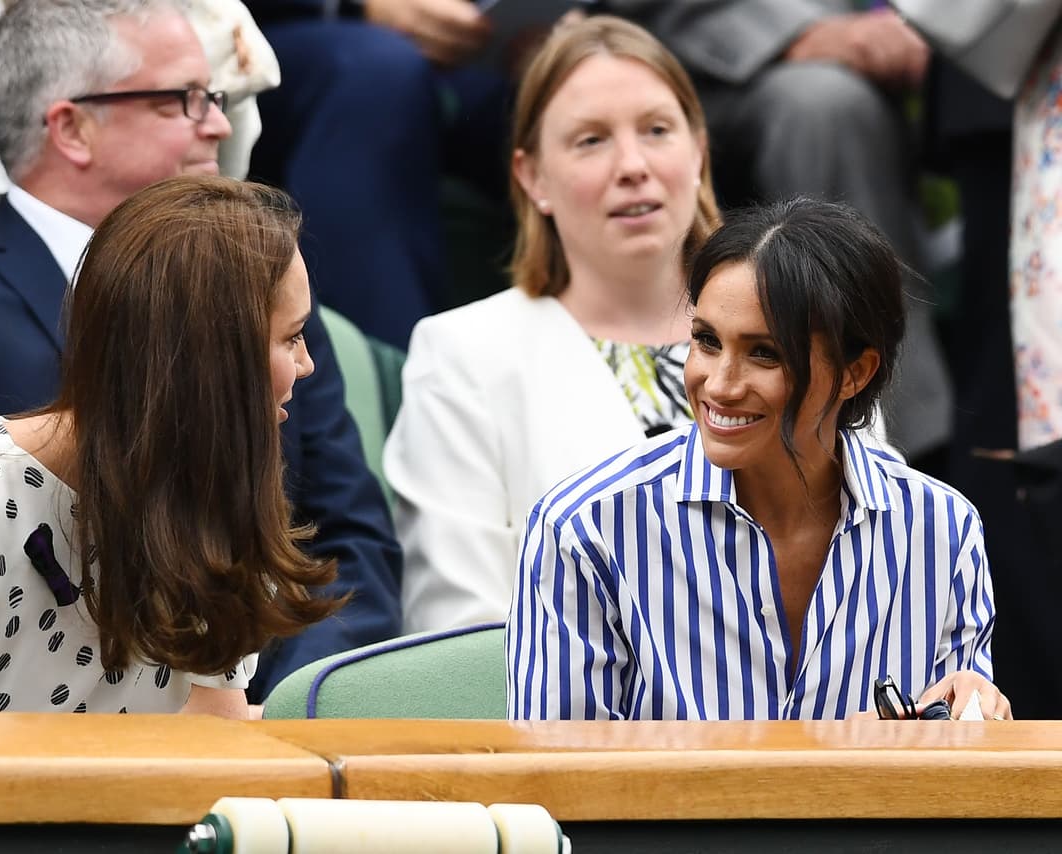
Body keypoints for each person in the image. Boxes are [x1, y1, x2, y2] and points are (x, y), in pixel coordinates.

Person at [0, 0, 402, 699]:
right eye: (185, 100)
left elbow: (345, 545)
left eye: (216, 98)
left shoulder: (272, 289)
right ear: (72, 127)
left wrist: (267, 704)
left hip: (238, 733)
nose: (220, 123)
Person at [0, 176, 340, 713]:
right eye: (291, 337)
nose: (306, 363)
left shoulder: (210, 498)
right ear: (209, 359)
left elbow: (213, 745)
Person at [508, 197, 1009, 721]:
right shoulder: (584, 529)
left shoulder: (943, 531)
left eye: (764, 353)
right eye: (705, 341)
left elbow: (954, 785)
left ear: (855, 373)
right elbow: (557, 783)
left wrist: (971, 722)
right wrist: (839, 764)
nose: (718, 385)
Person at [384, 16, 720, 633]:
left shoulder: (799, 329)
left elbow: (880, 575)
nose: (632, 164)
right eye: (590, 140)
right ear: (532, 177)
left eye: (657, 130)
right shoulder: (464, 354)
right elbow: (456, 631)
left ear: (698, 149)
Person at [596, 0, 953, 465]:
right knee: (823, 104)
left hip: (909, 47)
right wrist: (791, 33)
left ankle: (897, 439)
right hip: (699, 49)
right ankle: (882, 433)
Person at [244, 0, 512, 348]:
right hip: (285, 39)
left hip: (467, 63)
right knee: (377, 72)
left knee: (563, 96)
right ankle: (384, 373)